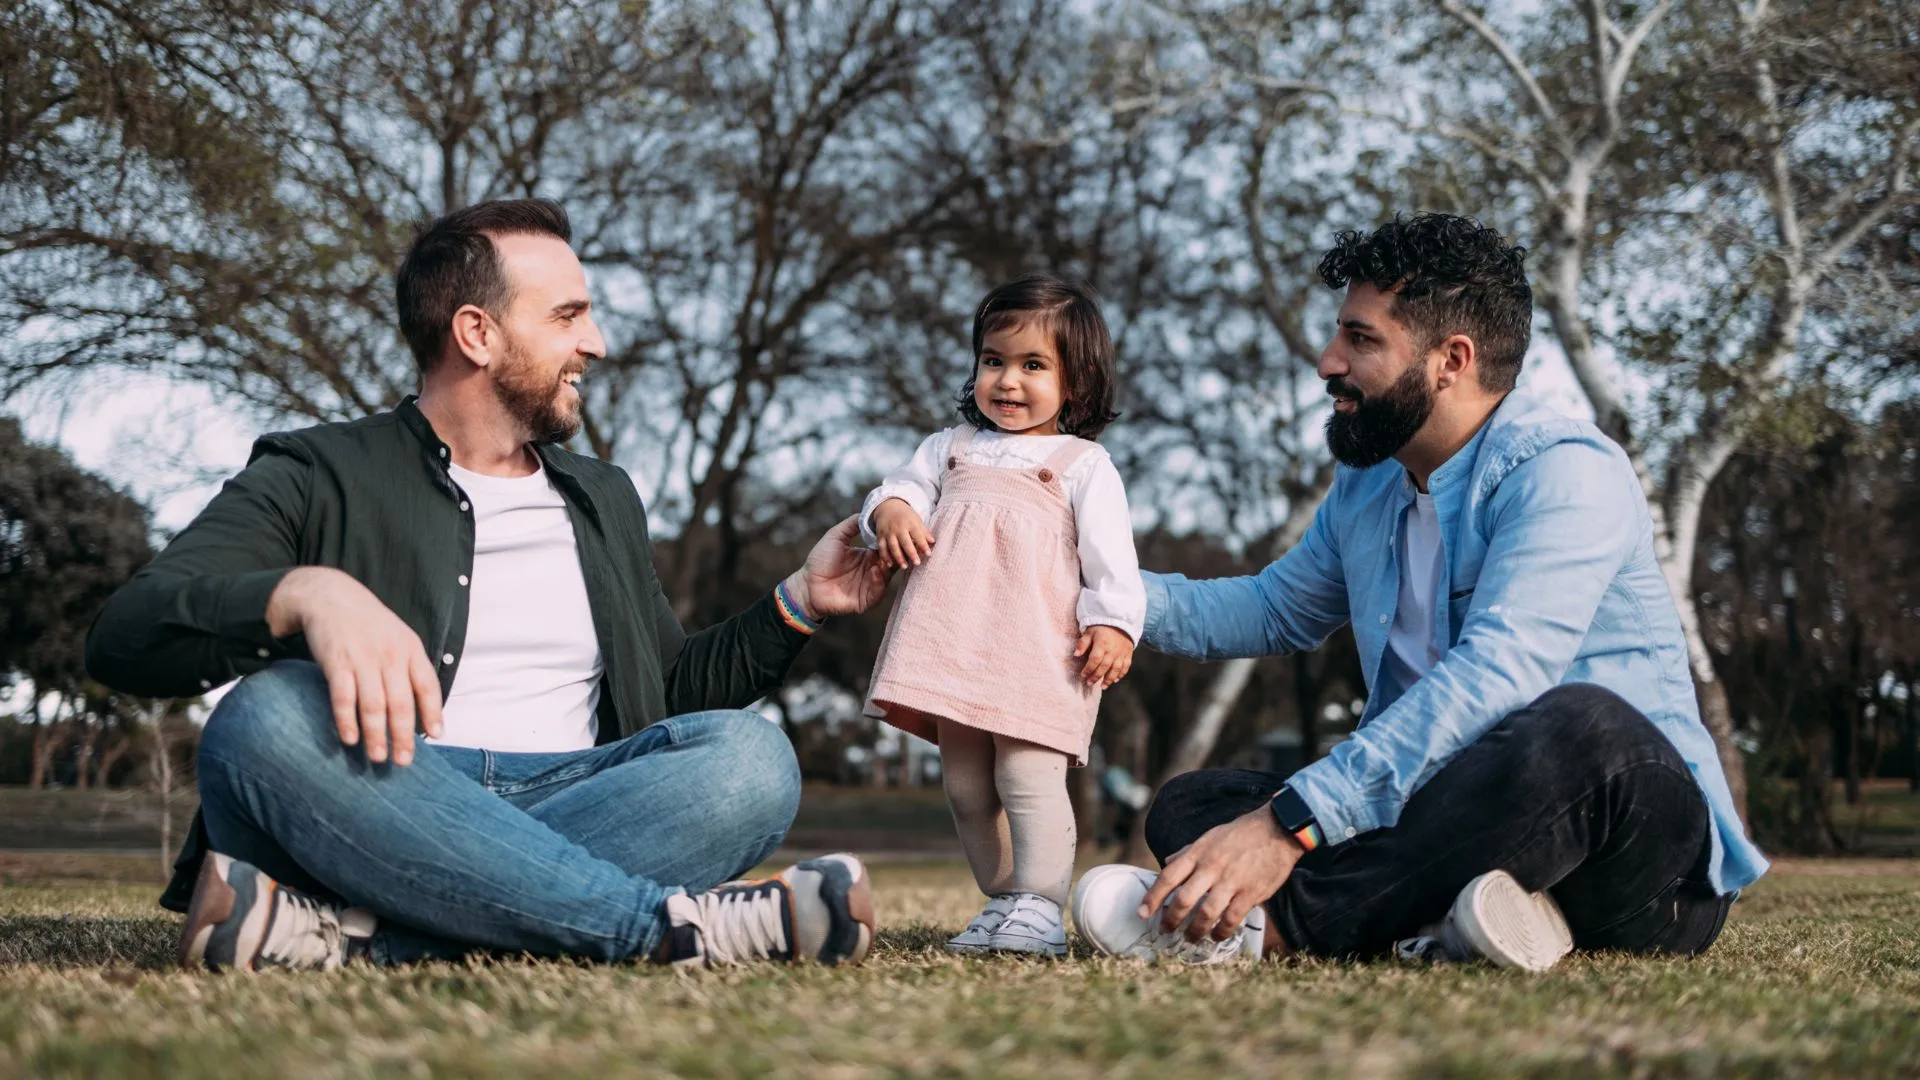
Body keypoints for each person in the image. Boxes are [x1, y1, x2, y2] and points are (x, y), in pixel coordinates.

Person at [85, 198, 890, 972]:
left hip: (582, 794)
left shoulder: (602, 496)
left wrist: (797, 604)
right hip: (380, 792)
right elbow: (127, 635)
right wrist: (308, 592)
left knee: (752, 758)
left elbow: (669, 691)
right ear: (477, 333)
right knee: (265, 715)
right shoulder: (315, 469)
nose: (597, 343)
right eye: (568, 316)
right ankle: (664, 932)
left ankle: (360, 940)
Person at [1071, 213, 1769, 971]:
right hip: (1455, 821)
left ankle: (1270, 929)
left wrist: (1288, 827)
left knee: (1583, 728)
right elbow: (1273, 608)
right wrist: (1086, 588)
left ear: (1451, 360)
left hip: (1641, 859)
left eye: (1360, 340)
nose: (1327, 361)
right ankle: (1460, 923)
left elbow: (1501, 674)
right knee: (1192, 805)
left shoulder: (1566, 472)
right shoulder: (1369, 487)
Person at [861, 275, 1143, 957]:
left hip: (1037, 653)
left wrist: (1114, 623)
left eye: (1033, 365)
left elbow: (1113, 559)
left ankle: (1040, 906)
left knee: (1026, 776)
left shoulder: (1081, 464)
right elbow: (898, 488)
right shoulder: (949, 447)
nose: (1008, 381)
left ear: (1076, 382)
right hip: (953, 646)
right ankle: (1004, 899)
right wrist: (891, 510)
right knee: (964, 786)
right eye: (995, 361)